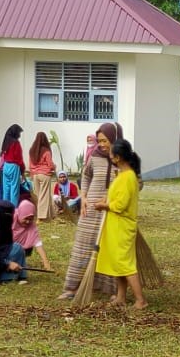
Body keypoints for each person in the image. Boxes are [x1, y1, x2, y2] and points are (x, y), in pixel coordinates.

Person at [58, 122, 122, 299]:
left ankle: (112, 290)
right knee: (83, 246)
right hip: (91, 209)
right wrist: (83, 197)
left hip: (112, 210)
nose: (101, 145)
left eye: (105, 141)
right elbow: (85, 176)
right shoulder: (94, 156)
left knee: (110, 249)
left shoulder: (124, 158)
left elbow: (137, 183)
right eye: (99, 141)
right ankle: (72, 288)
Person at [94, 139, 146, 309]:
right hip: (115, 225)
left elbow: (120, 205)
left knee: (125, 264)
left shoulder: (128, 177)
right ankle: (121, 297)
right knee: (118, 263)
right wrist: (106, 199)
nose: (108, 156)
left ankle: (140, 300)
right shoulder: (123, 175)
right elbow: (115, 196)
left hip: (122, 226)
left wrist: (104, 205)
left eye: (110, 153)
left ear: (117, 157)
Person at [12, 199, 52, 271]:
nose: (28, 221)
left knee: (31, 240)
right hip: (6, 247)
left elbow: (37, 243)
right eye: (26, 218)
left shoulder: (31, 225)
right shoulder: (11, 216)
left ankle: (18, 258)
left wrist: (46, 261)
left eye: (31, 219)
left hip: (18, 248)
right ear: (21, 214)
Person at [28, 131, 56, 222]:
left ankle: (51, 214)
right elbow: (50, 165)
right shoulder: (46, 151)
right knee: (44, 196)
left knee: (39, 195)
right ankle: (41, 217)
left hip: (35, 175)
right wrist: (54, 167)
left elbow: (30, 164)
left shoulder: (32, 150)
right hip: (44, 175)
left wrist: (32, 173)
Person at [0, 124, 25, 207]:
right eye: (19, 133)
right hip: (14, 166)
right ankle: (13, 209)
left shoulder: (7, 141)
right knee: (14, 189)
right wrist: (22, 170)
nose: (19, 135)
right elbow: (19, 158)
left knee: (6, 189)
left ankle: (5, 207)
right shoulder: (16, 143)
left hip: (6, 166)